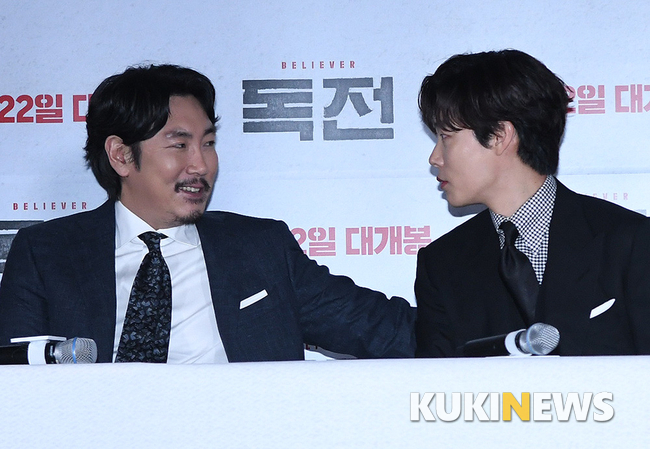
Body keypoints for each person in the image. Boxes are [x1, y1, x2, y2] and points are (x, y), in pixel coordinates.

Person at [0, 64, 415, 363]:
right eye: (180, 145)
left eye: (209, 143)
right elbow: (15, 382)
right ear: (122, 155)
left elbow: (380, 328)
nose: (201, 165)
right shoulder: (47, 254)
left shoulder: (260, 248)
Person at [415, 49, 650, 357]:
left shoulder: (631, 242)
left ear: (500, 135)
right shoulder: (442, 265)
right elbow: (437, 392)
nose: (435, 158)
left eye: (446, 137)